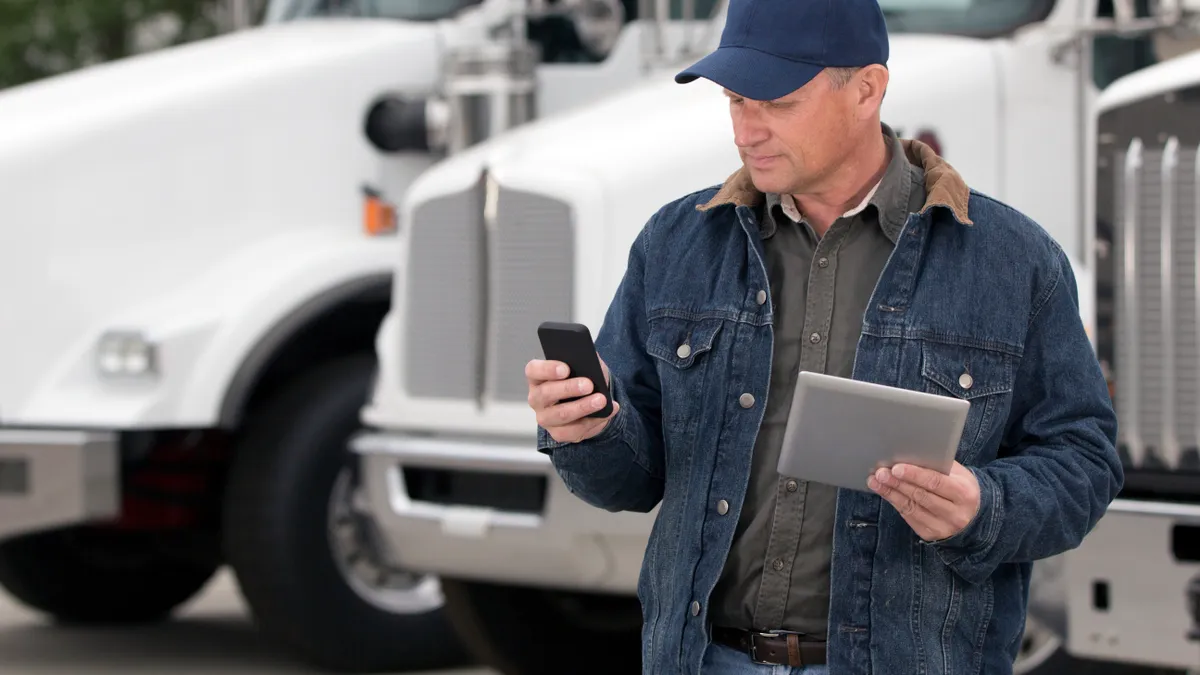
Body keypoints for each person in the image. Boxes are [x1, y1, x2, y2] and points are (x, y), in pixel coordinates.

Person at [524, 0, 1124, 672]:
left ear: (867, 88)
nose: (747, 129)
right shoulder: (676, 243)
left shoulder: (1012, 261)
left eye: (776, 101)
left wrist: (982, 507)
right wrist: (590, 427)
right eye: (734, 100)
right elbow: (629, 483)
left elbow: (1084, 463)